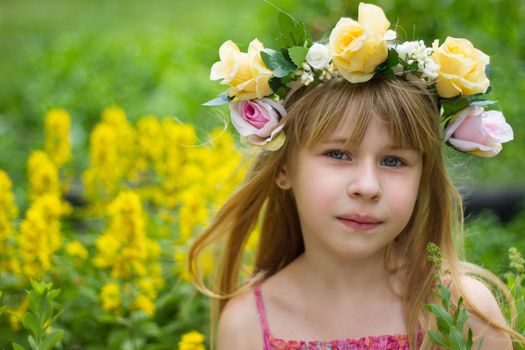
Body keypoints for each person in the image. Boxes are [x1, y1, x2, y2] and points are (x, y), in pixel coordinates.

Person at [190, 3, 523, 349]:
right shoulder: (248, 328)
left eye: (393, 161)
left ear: (423, 176)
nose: (367, 186)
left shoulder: (463, 313)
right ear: (284, 169)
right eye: (338, 154)